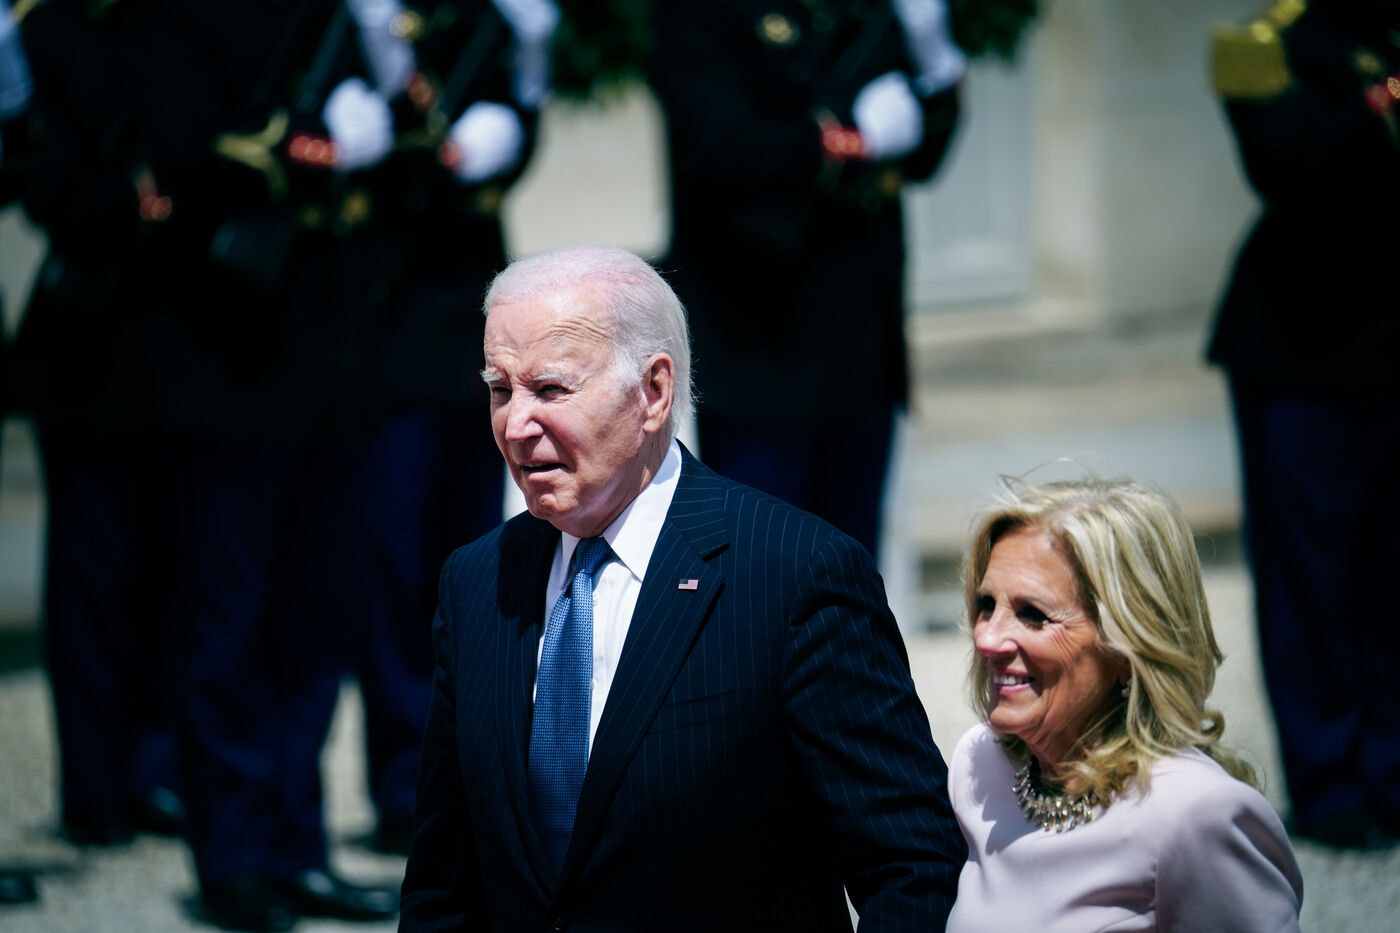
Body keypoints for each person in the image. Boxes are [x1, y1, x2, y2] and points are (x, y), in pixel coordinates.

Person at [399, 245, 965, 931]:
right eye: (500, 390)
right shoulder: (476, 581)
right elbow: (442, 884)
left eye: (549, 390)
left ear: (654, 392)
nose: (515, 425)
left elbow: (910, 864)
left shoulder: (795, 574)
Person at [649, 0, 964, 559]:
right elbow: (719, 143)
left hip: (860, 340)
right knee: (762, 566)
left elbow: (923, 153)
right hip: (761, 339)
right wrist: (848, 140)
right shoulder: (704, 12)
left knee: (851, 567)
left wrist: (936, 62)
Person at [945, 477, 1303, 931]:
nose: (987, 638)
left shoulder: (1193, 814)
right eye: (986, 604)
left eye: (1033, 614)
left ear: (1127, 647)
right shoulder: (979, 765)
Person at [1208, 0, 1400, 848]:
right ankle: (1331, 783)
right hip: (1304, 345)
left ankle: (1391, 769)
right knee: (1310, 576)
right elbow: (1292, 164)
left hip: (1388, 341)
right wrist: (1376, 105)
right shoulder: (1261, 44)